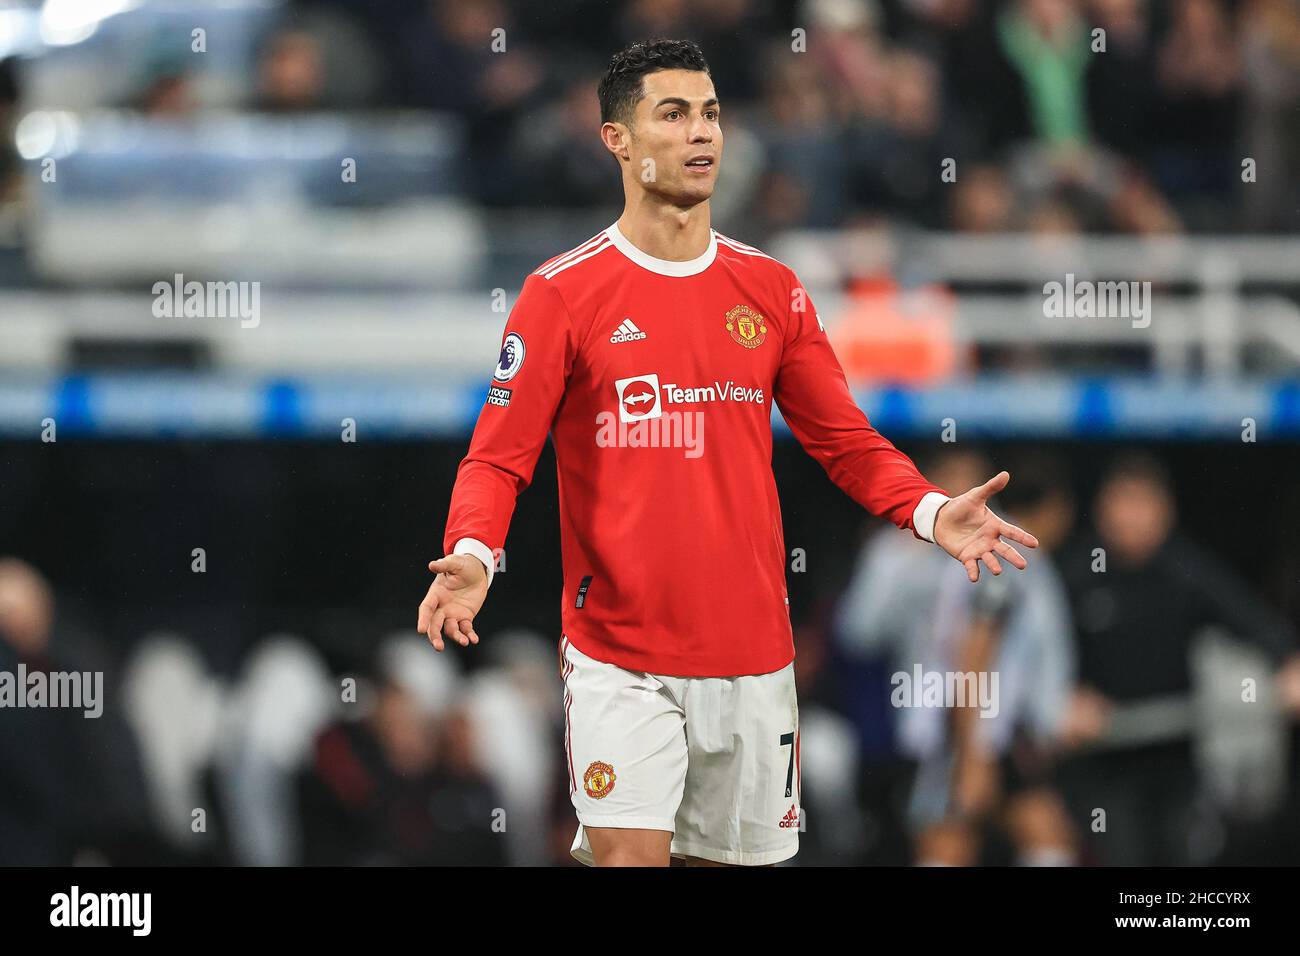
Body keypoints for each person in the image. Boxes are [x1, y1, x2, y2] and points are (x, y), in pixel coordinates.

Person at [416, 38, 1038, 867]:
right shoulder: (560, 294)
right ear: (619, 141)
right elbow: (498, 458)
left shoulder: (771, 289)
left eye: (711, 113)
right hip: (619, 654)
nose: (702, 133)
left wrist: (927, 511)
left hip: (752, 657)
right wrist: (472, 552)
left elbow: (844, 440)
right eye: (672, 114)